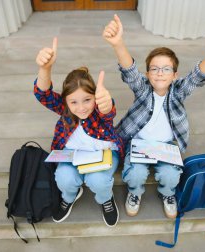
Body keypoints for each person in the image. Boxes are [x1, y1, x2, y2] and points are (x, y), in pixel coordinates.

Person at [103, 15, 205, 219]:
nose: (160, 73)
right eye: (154, 69)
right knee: (136, 173)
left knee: (170, 175)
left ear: (175, 75)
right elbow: (129, 71)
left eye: (166, 69)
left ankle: (168, 195)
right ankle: (135, 192)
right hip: (139, 144)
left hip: (166, 146)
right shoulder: (143, 89)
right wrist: (118, 44)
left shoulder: (178, 92)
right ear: (148, 74)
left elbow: (198, 76)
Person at [34, 37, 125, 227]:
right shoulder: (65, 109)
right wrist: (45, 69)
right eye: (74, 102)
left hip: (103, 154)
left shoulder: (100, 111)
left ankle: (105, 199)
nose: (81, 108)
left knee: (98, 180)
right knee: (64, 178)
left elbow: (108, 111)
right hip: (72, 155)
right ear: (65, 102)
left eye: (87, 100)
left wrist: (106, 103)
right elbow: (43, 94)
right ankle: (70, 196)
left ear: (94, 97)